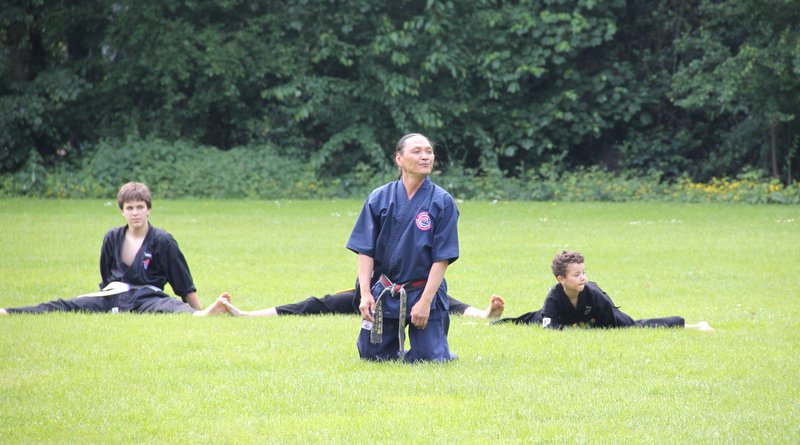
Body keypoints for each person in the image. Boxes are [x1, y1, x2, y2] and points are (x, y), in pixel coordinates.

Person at [0, 182, 229, 317]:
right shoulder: (112, 237)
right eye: (130, 208)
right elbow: (106, 276)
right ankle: (11, 312)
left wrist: (198, 309)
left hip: (148, 297)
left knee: (172, 306)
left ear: (149, 209)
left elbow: (183, 284)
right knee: (67, 305)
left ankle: (206, 314)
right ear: (122, 211)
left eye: (140, 207)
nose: (135, 212)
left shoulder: (162, 240)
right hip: (114, 295)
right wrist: (105, 297)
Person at [346, 133, 460, 362]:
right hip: (387, 291)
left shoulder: (442, 201)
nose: (425, 156)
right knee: (371, 356)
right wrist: (366, 293)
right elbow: (365, 249)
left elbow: (442, 258)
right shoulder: (379, 198)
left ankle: (440, 350)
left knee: (429, 359)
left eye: (429, 151)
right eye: (417, 151)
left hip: (423, 289)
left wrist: (426, 302)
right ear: (399, 159)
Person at [495, 251, 714, 332]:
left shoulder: (593, 294)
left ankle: (693, 325)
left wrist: (589, 327)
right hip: (569, 318)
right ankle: (492, 323)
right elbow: (549, 327)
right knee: (533, 318)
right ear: (561, 279)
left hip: (600, 315)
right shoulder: (554, 296)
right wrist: (570, 329)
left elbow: (609, 325)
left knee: (635, 327)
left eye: (583, 272)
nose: (582, 278)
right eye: (576, 274)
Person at [221, 288, 505, 319]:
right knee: (317, 303)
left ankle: (484, 314)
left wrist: (484, 312)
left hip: (408, 292)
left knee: (442, 301)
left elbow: (448, 303)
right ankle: (248, 315)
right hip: (370, 295)